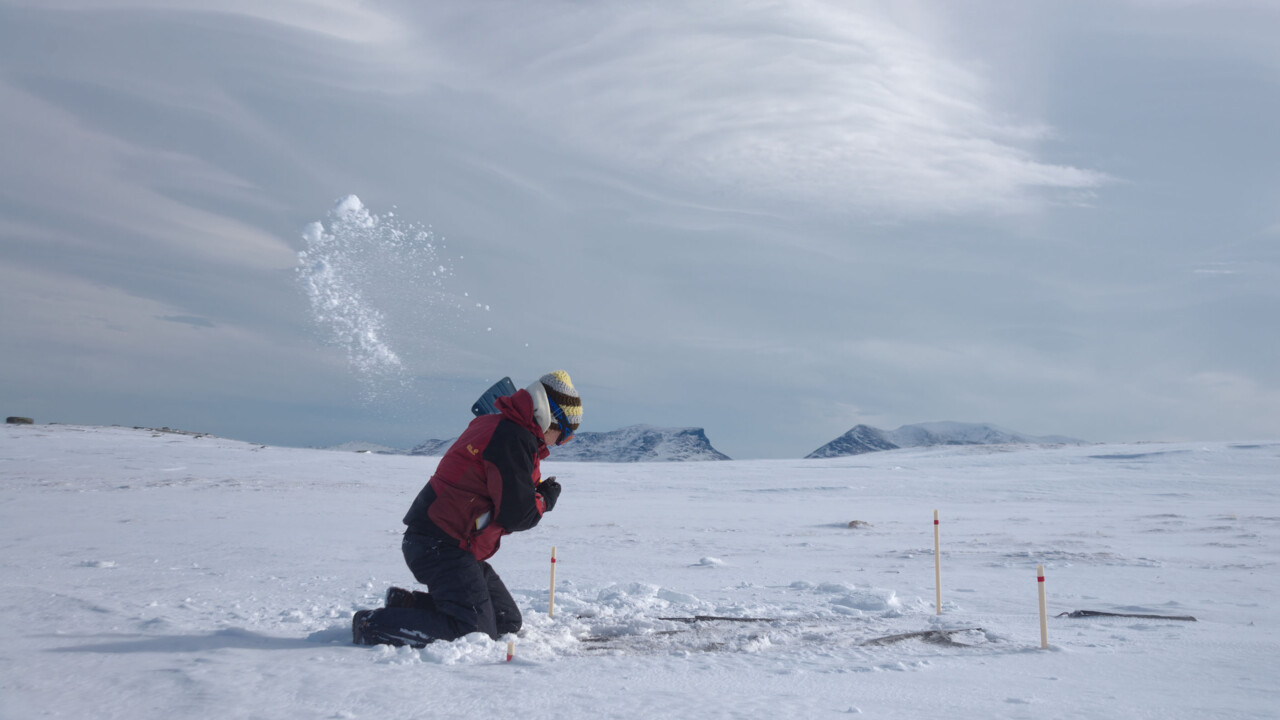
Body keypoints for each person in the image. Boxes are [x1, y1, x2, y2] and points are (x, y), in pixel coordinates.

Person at [352, 371, 582, 647]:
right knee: (471, 632)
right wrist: (544, 500)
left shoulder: (503, 428)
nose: (559, 443)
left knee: (506, 621)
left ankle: (406, 606)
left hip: (453, 546)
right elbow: (517, 514)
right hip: (440, 546)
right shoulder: (511, 437)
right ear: (548, 416)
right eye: (565, 434)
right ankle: (371, 625)